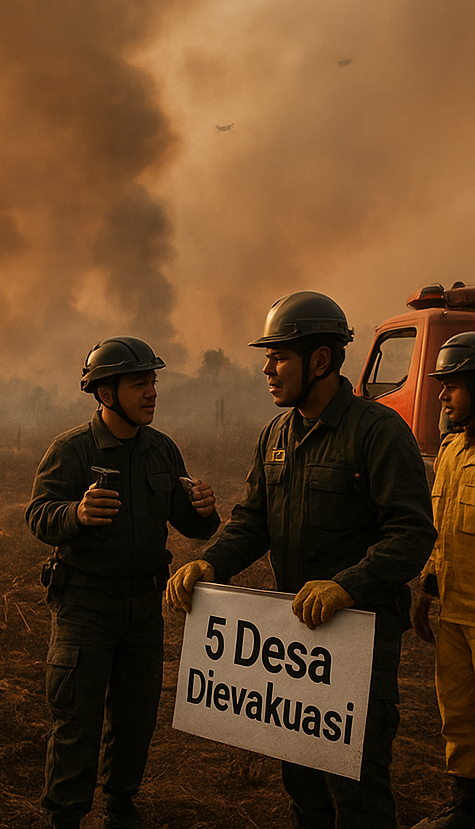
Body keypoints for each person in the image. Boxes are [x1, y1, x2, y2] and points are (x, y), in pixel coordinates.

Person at [166, 291, 436, 829]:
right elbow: (252, 521)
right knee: (304, 789)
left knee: (356, 790)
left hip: (357, 637)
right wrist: (210, 564)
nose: (266, 368)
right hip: (294, 641)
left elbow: (411, 533)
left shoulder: (377, 432)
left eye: (279, 355)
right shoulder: (276, 435)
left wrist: (347, 585)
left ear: (321, 360)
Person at [26, 336, 221, 829]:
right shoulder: (71, 450)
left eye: (153, 381)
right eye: (140, 383)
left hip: (142, 609)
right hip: (84, 608)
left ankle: (120, 808)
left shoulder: (161, 451)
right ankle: (65, 817)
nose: (152, 392)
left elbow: (191, 524)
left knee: (136, 719)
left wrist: (205, 512)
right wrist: (76, 513)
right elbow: (38, 515)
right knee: (77, 721)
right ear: (106, 393)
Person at [411, 333, 475, 828]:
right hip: (453, 611)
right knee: (458, 714)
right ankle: (465, 809)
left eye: (451, 384)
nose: (440, 395)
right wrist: (425, 591)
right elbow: (441, 529)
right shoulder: (451, 452)